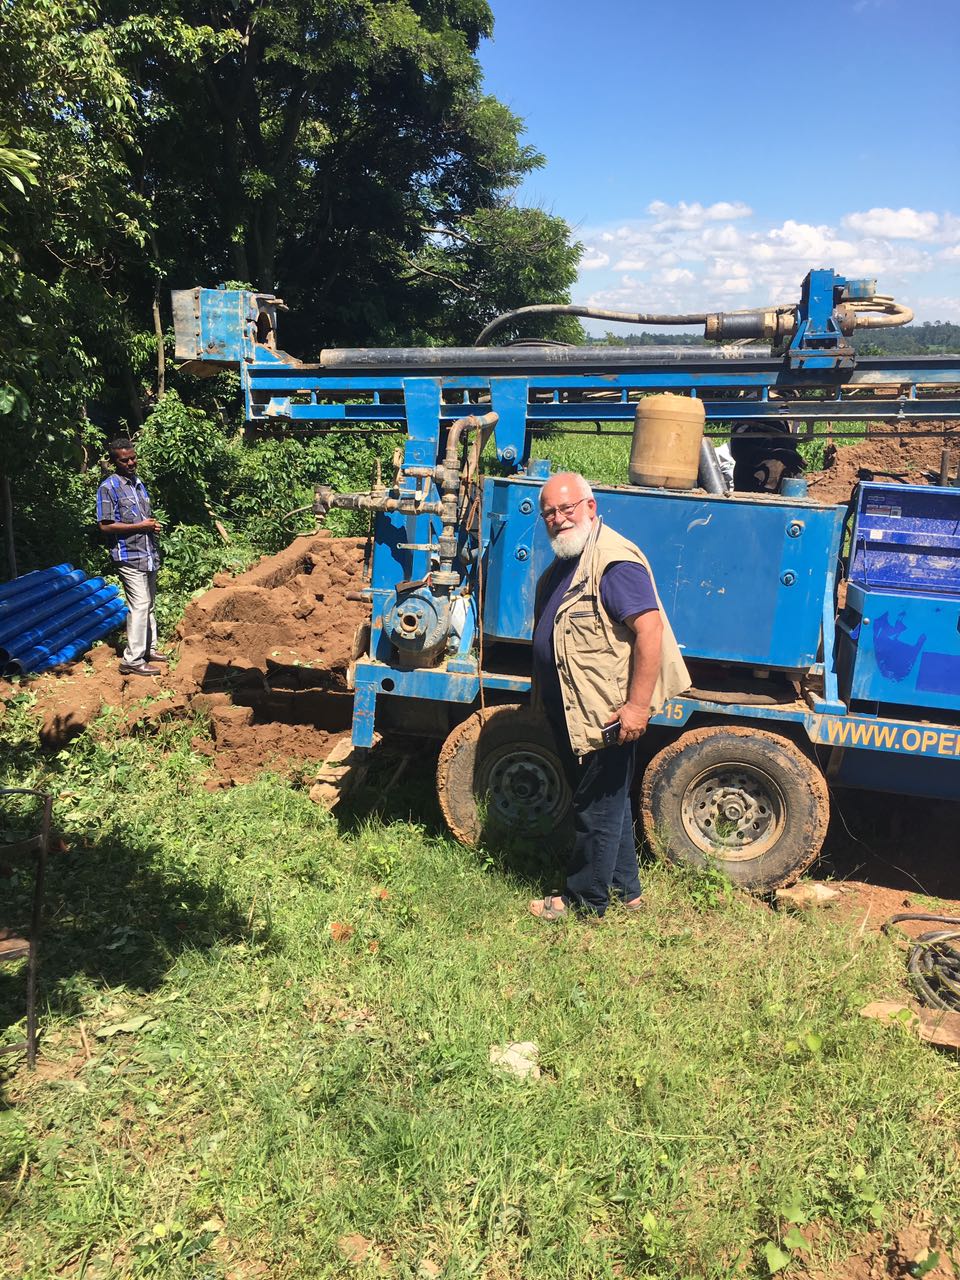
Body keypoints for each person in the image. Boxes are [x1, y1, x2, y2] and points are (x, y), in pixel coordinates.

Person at [528, 472, 689, 922]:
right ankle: (626, 892)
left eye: (567, 509)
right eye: (550, 513)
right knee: (606, 799)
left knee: (594, 804)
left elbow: (649, 629)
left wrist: (637, 707)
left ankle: (586, 901)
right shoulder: (574, 556)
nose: (558, 520)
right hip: (577, 706)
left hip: (605, 710)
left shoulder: (613, 561)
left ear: (591, 507)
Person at [96, 438, 170, 676]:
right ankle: (132, 660)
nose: (130, 462)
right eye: (124, 460)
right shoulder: (108, 487)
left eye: (133, 458)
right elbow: (105, 526)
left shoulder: (138, 483)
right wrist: (140, 526)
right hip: (128, 555)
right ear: (114, 461)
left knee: (148, 604)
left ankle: (149, 648)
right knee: (139, 605)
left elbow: (143, 520)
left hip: (148, 553)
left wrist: (150, 527)